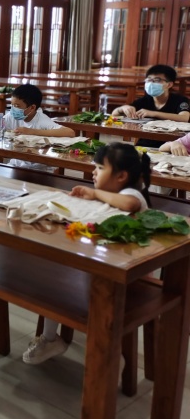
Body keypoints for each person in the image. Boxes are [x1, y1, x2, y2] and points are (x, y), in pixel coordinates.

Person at [22, 142, 151, 364]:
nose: (94, 172)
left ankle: (107, 357)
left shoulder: (131, 193)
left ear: (121, 176)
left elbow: (130, 204)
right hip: (104, 264)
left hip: (128, 275)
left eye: (100, 168)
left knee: (60, 283)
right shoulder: (110, 193)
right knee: (57, 281)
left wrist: (95, 193)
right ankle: (50, 338)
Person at [111, 64, 190, 148]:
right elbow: (114, 115)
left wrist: (154, 113)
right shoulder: (144, 100)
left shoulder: (180, 100)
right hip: (144, 145)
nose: (151, 83)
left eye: (157, 80)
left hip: (171, 146)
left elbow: (184, 118)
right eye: (149, 80)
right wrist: (122, 108)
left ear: (169, 84)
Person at [0, 84, 75, 137]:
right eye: (12, 105)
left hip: (37, 166)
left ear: (32, 108)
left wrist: (32, 131)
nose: (13, 109)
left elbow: (70, 132)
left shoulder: (41, 119)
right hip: (16, 162)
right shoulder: (12, 115)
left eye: (17, 106)